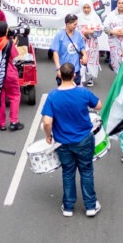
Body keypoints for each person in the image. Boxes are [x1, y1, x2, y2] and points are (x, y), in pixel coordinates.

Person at [42, 62, 102, 217]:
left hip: (63, 142)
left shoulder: (53, 96)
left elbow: (47, 122)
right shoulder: (83, 92)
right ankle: (90, 206)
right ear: (74, 75)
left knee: (68, 172)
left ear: (60, 75)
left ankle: (68, 206)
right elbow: (99, 106)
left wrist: (48, 136)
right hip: (84, 139)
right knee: (86, 171)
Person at [50, 14, 87, 86]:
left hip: (76, 70)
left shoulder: (78, 34)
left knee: (75, 93)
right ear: (67, 24)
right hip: (64, 71)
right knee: (63, 93)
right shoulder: (59, 35)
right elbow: (55, 52)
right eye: (74, 24)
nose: (76, 26)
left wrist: (85, 55)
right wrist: (58, 69)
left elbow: (82, 47)